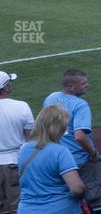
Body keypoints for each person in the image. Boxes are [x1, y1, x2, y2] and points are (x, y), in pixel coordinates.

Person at [42, 69, 100, 203]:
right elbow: (79, 136)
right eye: (84, 83)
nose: (87, 85)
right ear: (71, 87)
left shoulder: (51, 98)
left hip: (57, 158)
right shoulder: (80, 105)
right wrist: (93, 153)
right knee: (91, 198)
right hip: (79, 160)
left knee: (65, 196)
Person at [15, 105, 84, 213]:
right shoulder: (60, 152)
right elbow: (77, 188)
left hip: (27, 210)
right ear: (58, 128)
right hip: (60, 209)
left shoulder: (23, 149)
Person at [0, 72, 32, 213]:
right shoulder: (21, 106)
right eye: (9, 82)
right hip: (15, 161)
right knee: (18, 206)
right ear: (5, 87)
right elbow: (30, 139)